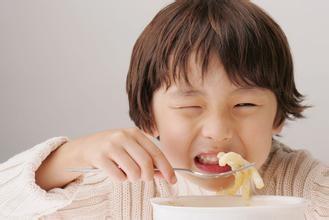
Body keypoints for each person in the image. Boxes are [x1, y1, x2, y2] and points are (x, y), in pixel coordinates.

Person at [0, 0, 328, 219]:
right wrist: (70, 157)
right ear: (148, 115)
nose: (218, 130)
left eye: (245, 104)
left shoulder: (307, 189)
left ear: (278, 116)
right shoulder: (122, 192)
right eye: (189, 105)